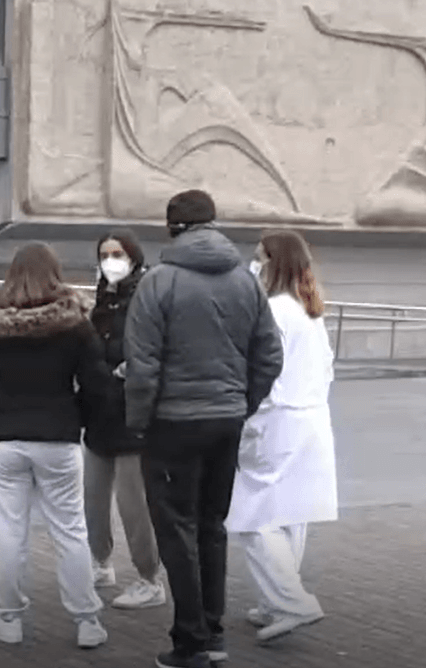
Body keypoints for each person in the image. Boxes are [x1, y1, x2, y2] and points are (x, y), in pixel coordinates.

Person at [124, 189, 284, 668]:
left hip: (172, 423)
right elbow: (269, 354)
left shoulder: (159, 282)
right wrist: (242, 402)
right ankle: (212, 635)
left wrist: (138, 422)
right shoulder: (245, 281)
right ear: (213, 225)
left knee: (176, 529)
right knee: (212, 527)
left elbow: (142, 362)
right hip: (226, 419)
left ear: (173, 227)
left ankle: (190, 640)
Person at [0, 242, 113, 650]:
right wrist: (78, 416)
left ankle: (7, 617)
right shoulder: (74, 322)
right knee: (71, 531)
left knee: (10, 532)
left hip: (5, 436)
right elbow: (97, 382)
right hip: (58, 436)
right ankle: (87, 621)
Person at [225, 231, 336, 643]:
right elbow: (326, 368)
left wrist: (250, 418)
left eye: (259, 258)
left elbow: (264, 371)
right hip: (310, 419)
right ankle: (276, 601)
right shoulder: (309, 309)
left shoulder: (272, 311)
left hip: (277, 420)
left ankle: (292, 601)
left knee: (252, 517)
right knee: (290, 512)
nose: (254, 265)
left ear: (274, 262)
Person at [85, 229, 167, 610]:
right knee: (92, 498)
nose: (110, 261)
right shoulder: (102, 299)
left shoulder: (146, 297)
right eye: (104, 254)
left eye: (117, 253)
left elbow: (156, 349)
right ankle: (100, 562)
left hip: (133, 416)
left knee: (133, 504)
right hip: (100, 412)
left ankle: (150, 578)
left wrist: (129, 371)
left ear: (133, 256)